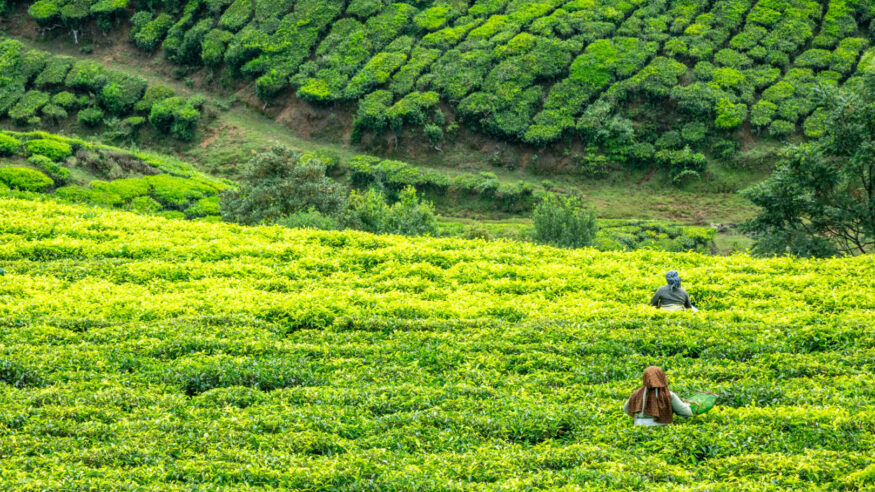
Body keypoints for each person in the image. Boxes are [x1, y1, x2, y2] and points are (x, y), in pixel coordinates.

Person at [624, 366, 693, 426]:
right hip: (661, 429)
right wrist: (685, 405)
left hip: (639, 428)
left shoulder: (636, 394)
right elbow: (686, 413)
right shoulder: (668, 395)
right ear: (662, 378)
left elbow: (626, 409)